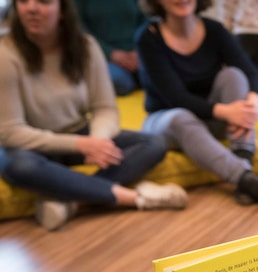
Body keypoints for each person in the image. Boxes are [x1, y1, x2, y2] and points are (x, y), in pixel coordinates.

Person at [0, 0, 187, 231]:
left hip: (78, 132)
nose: (31, 8)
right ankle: (133, 198)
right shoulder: (5, 54)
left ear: (62, 9)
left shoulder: (86, 46)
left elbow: (105, 108)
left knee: (153, 142)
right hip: (31, 145)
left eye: (43, 1)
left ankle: (73, 203)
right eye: (23, 1)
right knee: (17, 165)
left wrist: (99, 141)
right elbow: (9, 132)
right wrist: (81, 144)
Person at [136, 0, 258, 205]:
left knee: (233, 76)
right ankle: (246, 179)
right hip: (168, 122)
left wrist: (254, 100)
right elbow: (176, 97)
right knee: (180, 116)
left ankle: (244, 166)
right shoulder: (148, 38)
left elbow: (250, 71)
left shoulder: (214, 29)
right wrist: (226, 112)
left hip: (211, 120)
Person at [75, 0, 145, 95]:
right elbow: (79, 29)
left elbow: (145, 20)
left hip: (137, 51)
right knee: (121, 82)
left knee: (157, 76)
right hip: (101, 55)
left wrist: (139, 49)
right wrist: (110, 53)